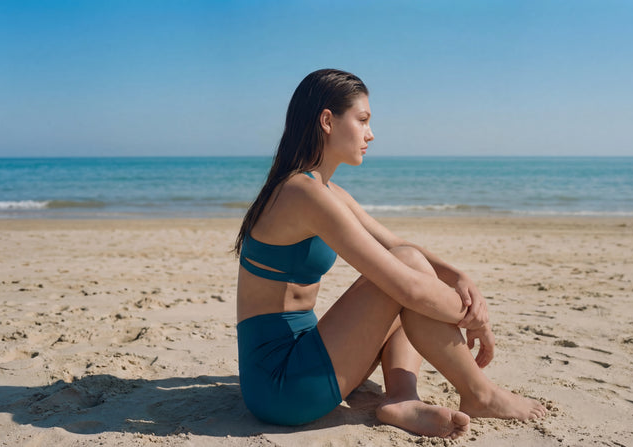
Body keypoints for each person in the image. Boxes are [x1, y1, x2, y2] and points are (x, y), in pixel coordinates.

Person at [234, 68, 547, 439]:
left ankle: (401, 397)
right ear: (327, 121)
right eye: (363, 120)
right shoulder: (302, 194)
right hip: (281, 387)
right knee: (405, 278)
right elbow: (409, 286)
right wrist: (475, 320)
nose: (371, 134)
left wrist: (459, 277)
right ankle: (479, 392)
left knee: (407, 264)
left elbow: (398, 245)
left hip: (309, 354)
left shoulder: (326, 191)